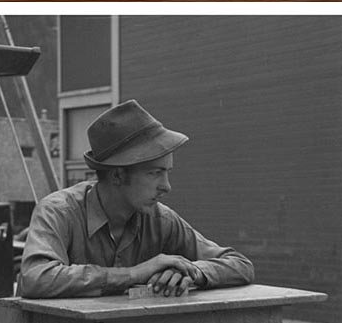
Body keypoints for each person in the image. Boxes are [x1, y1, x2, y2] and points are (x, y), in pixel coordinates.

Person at [18, 99, 254, 299]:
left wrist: (190, 271)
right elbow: (35, 278)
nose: (167, 187)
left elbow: (240, 264)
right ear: (118, 175)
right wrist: (134, 274)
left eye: (167, 172)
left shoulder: (161, 220)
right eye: (155, 173)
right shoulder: (58, 212)